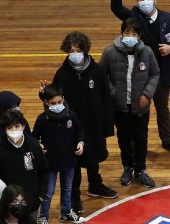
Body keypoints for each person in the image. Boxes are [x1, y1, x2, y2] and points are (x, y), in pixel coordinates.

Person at [45, 31, 118, 204]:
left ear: (85, 50)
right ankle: (74, 194)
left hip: (94, 125)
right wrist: (43, 94)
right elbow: (53, 99)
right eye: (71, 50)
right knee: (74, 162)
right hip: (71, 127)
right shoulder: (61, 74)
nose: (75, 54)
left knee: (94, 157)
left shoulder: (97, 71)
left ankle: (95, 185)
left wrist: (108, 126)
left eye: (78, 50)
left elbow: (106, 99)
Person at [110, 0, 170, 156]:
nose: (143, 2)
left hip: (161, 73)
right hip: (139, 74)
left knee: (162, 108)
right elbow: (116, 8)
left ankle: (167, 140)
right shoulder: (134, 15)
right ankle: (135, 142)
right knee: (137, 109)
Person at [102, 17, 160, 189]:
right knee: (124, 138)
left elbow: (155, 74)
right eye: (127, 32)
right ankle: (127, 167)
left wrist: (147, 95)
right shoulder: (109, 52)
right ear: (121, 33)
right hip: (120, 107)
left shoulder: (147, 52)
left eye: (134, 34)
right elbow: (102, 76)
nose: (130, 36)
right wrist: (114, 94)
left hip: (141, 107)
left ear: (139, 36)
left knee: (141, 138)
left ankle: (140, 169)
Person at [33, 85, 87, 224]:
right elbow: (34, 137)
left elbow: (80, 132)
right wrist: (38, 145)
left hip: (69, 161)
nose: (56, 105)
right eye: (52, 103)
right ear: (46, 103)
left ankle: (66, 212)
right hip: (49, 163)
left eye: (58, 102)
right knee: (48, 193)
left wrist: (81, 143)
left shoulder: (72, 116)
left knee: (67, 188)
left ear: (63, 99)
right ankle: (43, 218)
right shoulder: (42, 119)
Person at [0, 109, 48, 224]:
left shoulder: (33, 145)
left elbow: (44, 171)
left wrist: (41, 196)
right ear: (4, 129)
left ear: (23, 126)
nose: (14, 130)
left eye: (17, 126)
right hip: (9, 208)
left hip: (31, 204)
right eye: (9, 127)